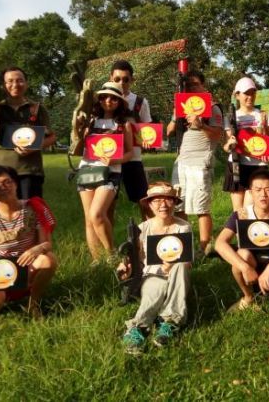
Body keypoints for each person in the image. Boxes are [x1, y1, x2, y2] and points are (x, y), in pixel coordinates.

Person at [0, 165, 58, 323]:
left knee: (48, 260)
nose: (4, 187)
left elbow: (47, 244)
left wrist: (36, 249)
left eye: (7, 182)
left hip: (24, 269)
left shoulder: (34, 208)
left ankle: (33, 304)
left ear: (15, 184)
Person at [214, 169, 269, 322]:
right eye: (258, 190)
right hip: (251, 269)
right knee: (241, 254)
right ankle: (248, 297)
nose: (263, 194)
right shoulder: (241, 215)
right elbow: (219, 243)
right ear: (250, 193)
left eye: (268, 189)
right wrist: (244, 267)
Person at [118, 182, 192, 355]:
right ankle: (138, 327)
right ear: (149, 205)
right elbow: (134, 259)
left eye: (168, 200)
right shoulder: (143, 228)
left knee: (181, 265)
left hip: (177, 275)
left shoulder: (183, 227)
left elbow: (188, 262)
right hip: (152, 275)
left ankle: (170, 322)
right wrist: (126, 267)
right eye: (157, 200)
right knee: (156, 288)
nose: (163, 205)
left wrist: (171, 266)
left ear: (175, 203)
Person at [0, 66, 56, 199]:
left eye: (20, 80)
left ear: (26, 83)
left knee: (29, 211)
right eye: (10, 81)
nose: (15, 85)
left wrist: (34, 147)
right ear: (3, 85)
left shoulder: (37, 109)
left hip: (29, 171)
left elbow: (52, 137)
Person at [165, 70, 223, 253]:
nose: (192, 88)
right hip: (181, 163)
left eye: (195, 84)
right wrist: (176, 115)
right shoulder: (182, 107)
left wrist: (201, 125)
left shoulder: (212, 107)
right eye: (188, 85)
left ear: (203, 86)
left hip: (200, 163)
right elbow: (168, 131)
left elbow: (218, 135)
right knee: (179, 206)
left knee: (201, 208)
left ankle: (205, 248)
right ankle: (184, 247)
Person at [77, 82, 134, 264]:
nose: (108, 101)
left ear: (120, 102)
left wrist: (114, 161)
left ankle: (111, 255)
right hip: (86, 169)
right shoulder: (89, 120)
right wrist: (80, 128)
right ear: (99, 99)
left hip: (110, 172)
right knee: (89, 219)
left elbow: (130, 153)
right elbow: (77, 143)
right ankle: (97, 260)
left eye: (113, 98)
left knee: (97, 214)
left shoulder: (123, 124)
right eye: (104, 97)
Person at [222, 76, 269, 211]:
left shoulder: (263, 115)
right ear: (237, 95)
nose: (250, 97)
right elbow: (227, 146)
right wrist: (230, 143)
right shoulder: (231, 117)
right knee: (238, 211)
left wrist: (262, 132)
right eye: (246, 93)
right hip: (236, 164)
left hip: (258, 166)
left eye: (252, 93)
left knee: (251, 209)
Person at [109, 60, 152, 202]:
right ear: (111, 78)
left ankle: (149, 219)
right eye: (117, 79)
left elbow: (147, 128)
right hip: (109, 157)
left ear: (132, 80)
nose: (121, 83)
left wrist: (147, 140)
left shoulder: (141, 102)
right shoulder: (103, 99)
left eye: (125, 79)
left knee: (143, 200)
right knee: (108, 203)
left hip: (133, 157)